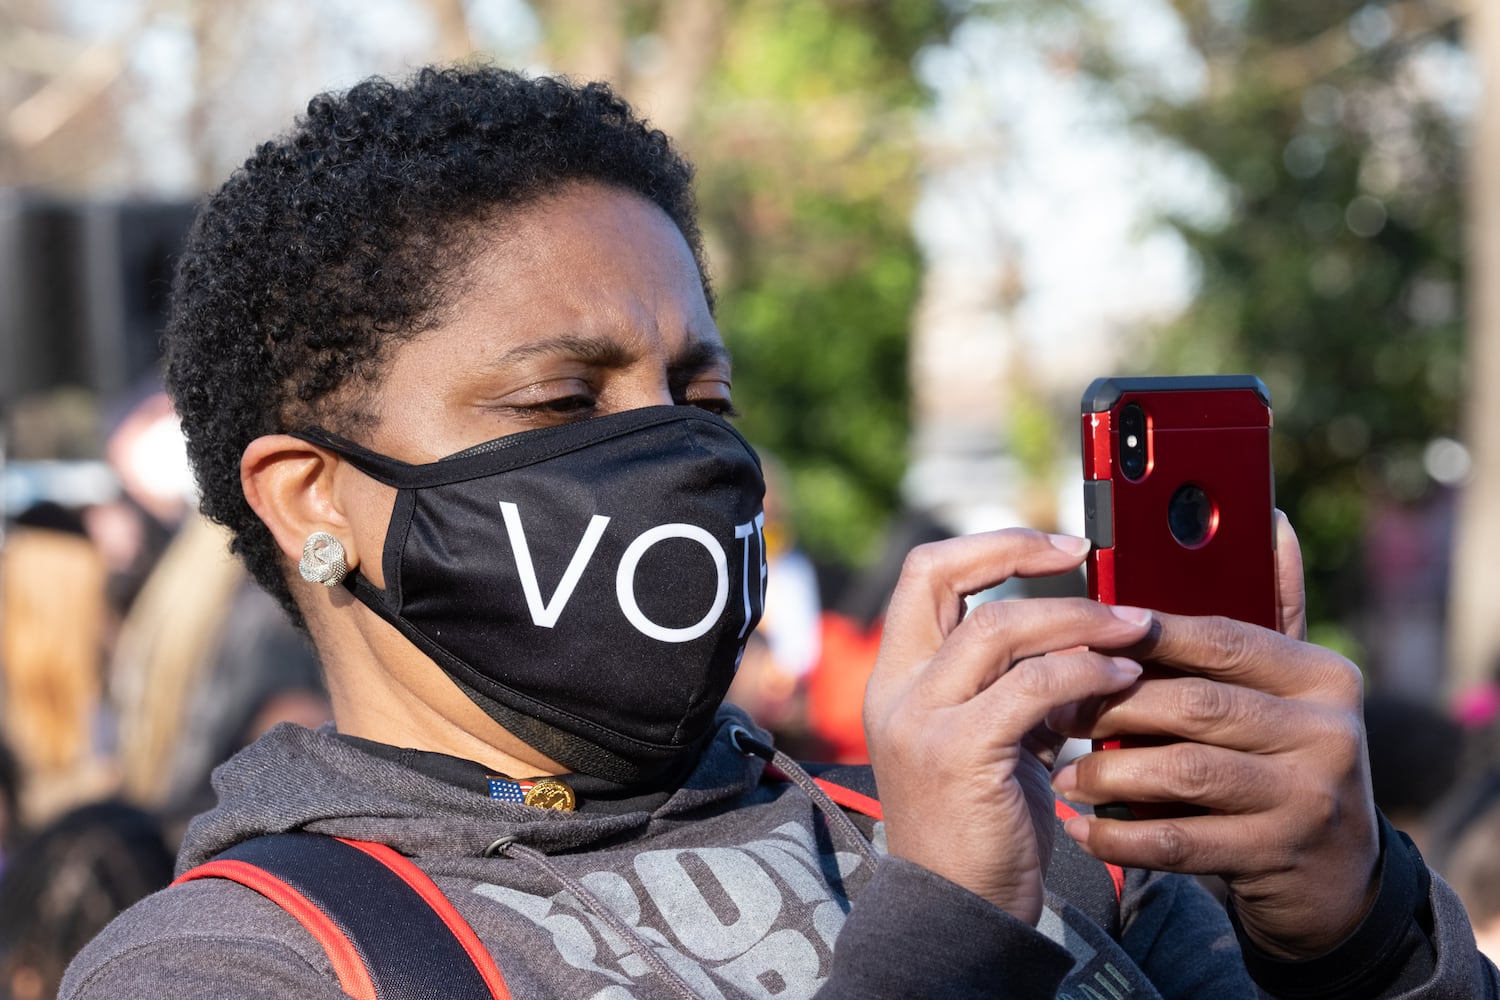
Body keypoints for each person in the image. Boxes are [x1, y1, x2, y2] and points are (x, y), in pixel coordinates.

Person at [61, 65, 1497, 998]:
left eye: (701, 390)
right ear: (314, 499)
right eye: (566, 398)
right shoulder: (238, 961)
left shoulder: (1033, 838)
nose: (679, 453)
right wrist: (944, 929)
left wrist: (1350, 925)